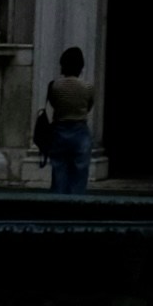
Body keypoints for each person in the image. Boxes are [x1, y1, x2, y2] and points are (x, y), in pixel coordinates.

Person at [37, 44, 95, 196]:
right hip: (80, 131)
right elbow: (89, 106)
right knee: (80, 171)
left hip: (59, 130)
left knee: (59, 169)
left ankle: (59, 202)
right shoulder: (88, 87)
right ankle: (77, 204)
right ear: (80, 66)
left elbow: (53, 103)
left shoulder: (54, 85)